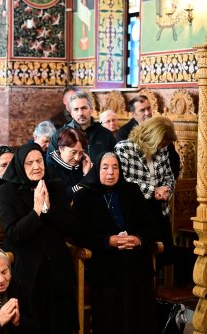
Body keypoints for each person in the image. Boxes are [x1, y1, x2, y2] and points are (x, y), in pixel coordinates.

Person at [0, 143, 79, 334]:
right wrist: (36, 211)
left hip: (57, 268)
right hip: (27, 272)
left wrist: (48, 210)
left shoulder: (56, 186)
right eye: (29, 163)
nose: (36, 166)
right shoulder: (6, 192)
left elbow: (72, 228)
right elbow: (14, 235)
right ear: (19, 166)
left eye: (39, 161)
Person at [72, 152, 158, 334]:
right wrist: (107, 240)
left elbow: (152, 227)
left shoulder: (132, 191)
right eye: (105, 167)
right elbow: (78, 234)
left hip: (135, 259)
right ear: (97, 169)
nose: (110, 172)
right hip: (105, 261)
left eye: (115, 167)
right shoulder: (84, 196)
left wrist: (139, 240)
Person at [115, 116, 177, 265]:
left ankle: (159, 279)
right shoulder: (124, 148)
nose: (163, 146)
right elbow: (124, 180)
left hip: (158, 206)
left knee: (166, 250)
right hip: (135, 207)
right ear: (152, 136)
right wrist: (154, 191)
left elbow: (169, 176)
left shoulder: (162, 150)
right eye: (161, 143)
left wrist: (167, 189)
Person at [115, 95, 181, 179]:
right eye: (142, 110)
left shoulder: (160, 128)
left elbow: (173, 159)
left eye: (148, 108)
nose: (147, 113)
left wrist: (169, 184)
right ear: (133, 114)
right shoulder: (123, 133)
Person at [48, 91, 116, 162]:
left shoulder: (106, 135)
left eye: (84, 108)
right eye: (76, 109)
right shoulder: (59, 136)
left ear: (91, 110)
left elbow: (114, 162)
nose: (80, 113)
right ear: (71, 113)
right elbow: (51, 163)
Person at [45, 128, 92, 203]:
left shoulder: (84, 165)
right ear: (60, 148)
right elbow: (62, 197)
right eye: (73, 152)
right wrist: (86, 180)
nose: (77, 158)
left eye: (81, 153)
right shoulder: (49, 168)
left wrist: (87, 174)